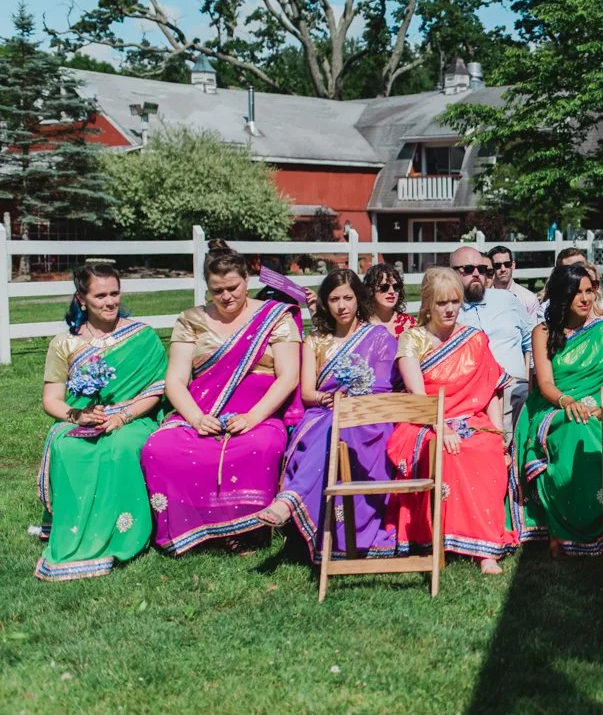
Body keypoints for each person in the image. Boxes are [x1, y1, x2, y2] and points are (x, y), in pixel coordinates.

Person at [142, 241, 302, 555]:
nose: (227, 296)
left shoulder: (275, 317)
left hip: (258, 413)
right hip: (203, 411)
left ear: (247, 280)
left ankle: (247, 531)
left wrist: (254, 417)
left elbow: (288, 376)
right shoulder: (192, 319)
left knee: (261, 446)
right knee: (158, 448)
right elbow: (175, 380)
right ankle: (191, 530)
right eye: (218, 291)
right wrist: (196, 419)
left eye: (233, 287)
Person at [35, 264, 168, 580]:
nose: (110, 302)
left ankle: (124, 533)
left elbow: (156, 391)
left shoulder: (143, 336)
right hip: (84, 419)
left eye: (115, 293)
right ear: (81, 299)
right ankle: (75, 529)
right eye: (100, 295)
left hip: (134, 418)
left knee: (119, 447)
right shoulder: (65, 343)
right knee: (69, 448)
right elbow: (52, 399)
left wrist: (122, 416)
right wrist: (77, 415)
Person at [255, 270, 400, 560]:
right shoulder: (315, 341)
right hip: (325, 412)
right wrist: (329, 398)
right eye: (334, 299)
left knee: (340, 427)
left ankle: (291, 499)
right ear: (325, 303)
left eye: (348, 297)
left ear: (359, 299)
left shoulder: (380, 338)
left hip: (371, 416)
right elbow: (308, 393)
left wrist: (355, 402)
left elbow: (385, 386)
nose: (342, 305)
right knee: (331, 427)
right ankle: (295, 505)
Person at [387, 268, 517, 574]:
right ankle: (445, 537)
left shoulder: (474, 338)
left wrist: (498, 435)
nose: (449, 309)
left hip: (472, 420)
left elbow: (492, 392)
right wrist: (440, 425)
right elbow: (418, 397)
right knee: (450, 451)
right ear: (428, 304)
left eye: (455, 302)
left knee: (485, 448)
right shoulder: (412, 339)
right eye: (442, 302)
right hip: (425, 421)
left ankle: (486, 551)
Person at [509, 264, 603, 555]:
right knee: (576, 425)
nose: (585, 298)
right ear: (562, 296)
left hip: (598, 410)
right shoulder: (543, 331)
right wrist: (568, 402)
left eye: (589, 291)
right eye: (577, 292)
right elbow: (546, 383)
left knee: (587, 425)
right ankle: (591, 523)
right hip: (551, 408)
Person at [451, 246, 535, 439]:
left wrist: (533, 380)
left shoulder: (506, 300)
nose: (476, 274)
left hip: (516, 389)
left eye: (481, 270)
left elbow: (533, 341)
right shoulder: (448, 309)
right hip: (471, 395)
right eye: (468, 269)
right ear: (452, 273)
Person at [363, 263, 418, 338]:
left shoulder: (412, 325)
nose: (392, 291)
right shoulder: (360, 325)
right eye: (384, 287)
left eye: (396, 287)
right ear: (370, 290)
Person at [488, 245, 540, 317]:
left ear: (513, 265)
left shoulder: (529, 299)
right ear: (491, 267)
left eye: (507, 264)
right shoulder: (484, 297)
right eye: (497, 265)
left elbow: (535, 327)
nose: (503, 269)